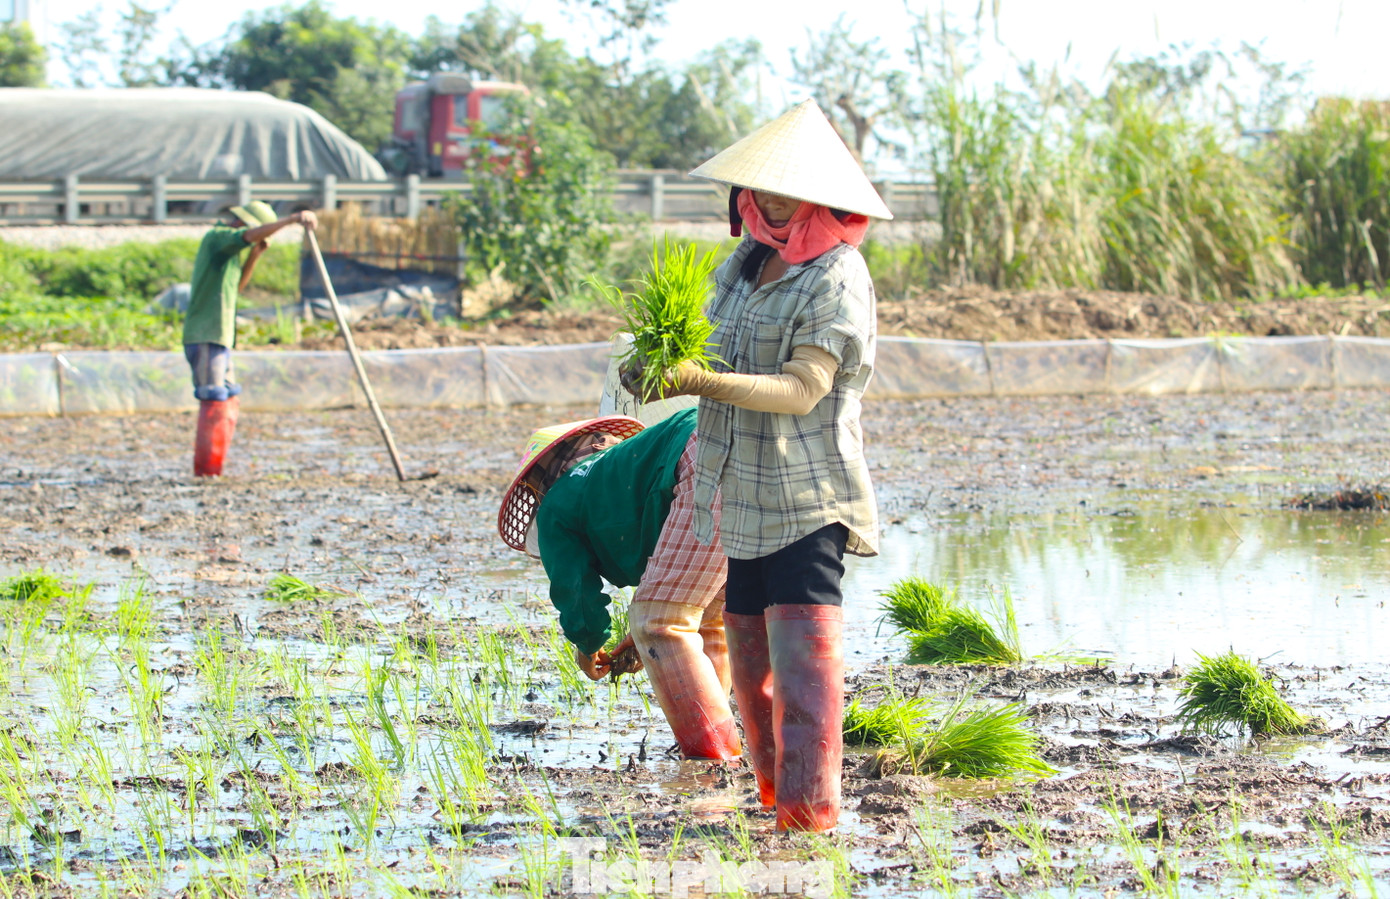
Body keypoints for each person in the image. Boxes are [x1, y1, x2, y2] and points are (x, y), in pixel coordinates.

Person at [621, 99, 892, 832]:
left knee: (803, 666)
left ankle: (813, 814)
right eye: (761, 186)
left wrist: (698, 382)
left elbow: (806, 388)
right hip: (738, 489)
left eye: (787, 190)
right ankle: (777, 802)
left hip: (806, 494)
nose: (770, 201)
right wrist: (649, 365)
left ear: (819, 196)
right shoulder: (743, 262)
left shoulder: (837, 273)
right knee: (749, 663)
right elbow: (705, 345)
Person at [496, 407, 741, 761]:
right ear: (597, 443)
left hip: (702, 453)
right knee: (709, 622)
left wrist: (588, 642)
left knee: (660, 624)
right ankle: (736, 741)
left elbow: (575, 590)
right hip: (740, 429)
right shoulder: (625, 466)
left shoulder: (558, 503)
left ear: (542, 481)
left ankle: (713, 754)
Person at [183, 200, 318, 476]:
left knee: (228, 395)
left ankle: (215, 465)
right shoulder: (218, 238)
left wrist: (255, 255)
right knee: (214, 398)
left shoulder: (229, 256)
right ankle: (207, 470)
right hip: (206, 334)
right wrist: (291, 220)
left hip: (220, 336)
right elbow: (246, 236)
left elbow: (238, 288)